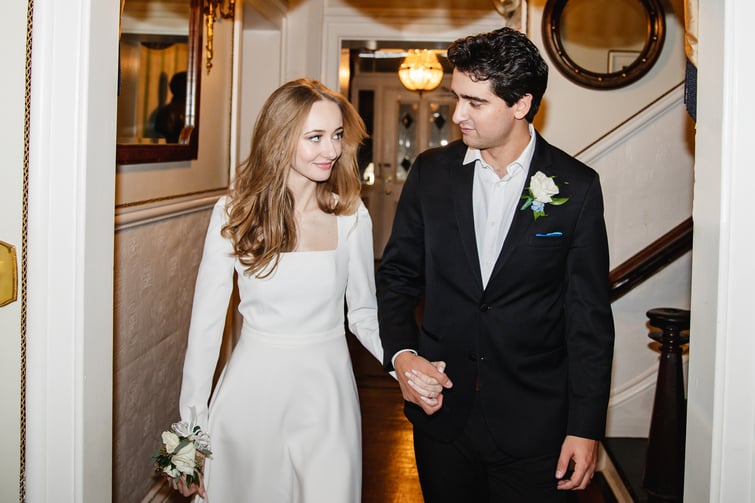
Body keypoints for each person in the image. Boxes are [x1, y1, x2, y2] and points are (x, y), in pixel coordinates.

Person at [173, 78, 441, 502]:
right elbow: (205, 332)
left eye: (336, 135)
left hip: (327, 397)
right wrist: (190, 436)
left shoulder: (351, 215)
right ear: (278, 140)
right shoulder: (233, 213)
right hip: (251, 397)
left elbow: (364, 315)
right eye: (315, 137)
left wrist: (402, 363)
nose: (332, 150)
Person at [376, 27, 615, 502]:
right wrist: (402, 356)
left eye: (475, 102)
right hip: (442, 420)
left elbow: (588, 317)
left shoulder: (577, 187)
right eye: (456, 97)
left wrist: (585, 429)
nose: (457, 114)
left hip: (535, 430)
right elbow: (397, 277)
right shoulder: (430, 174)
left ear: (521, 104)